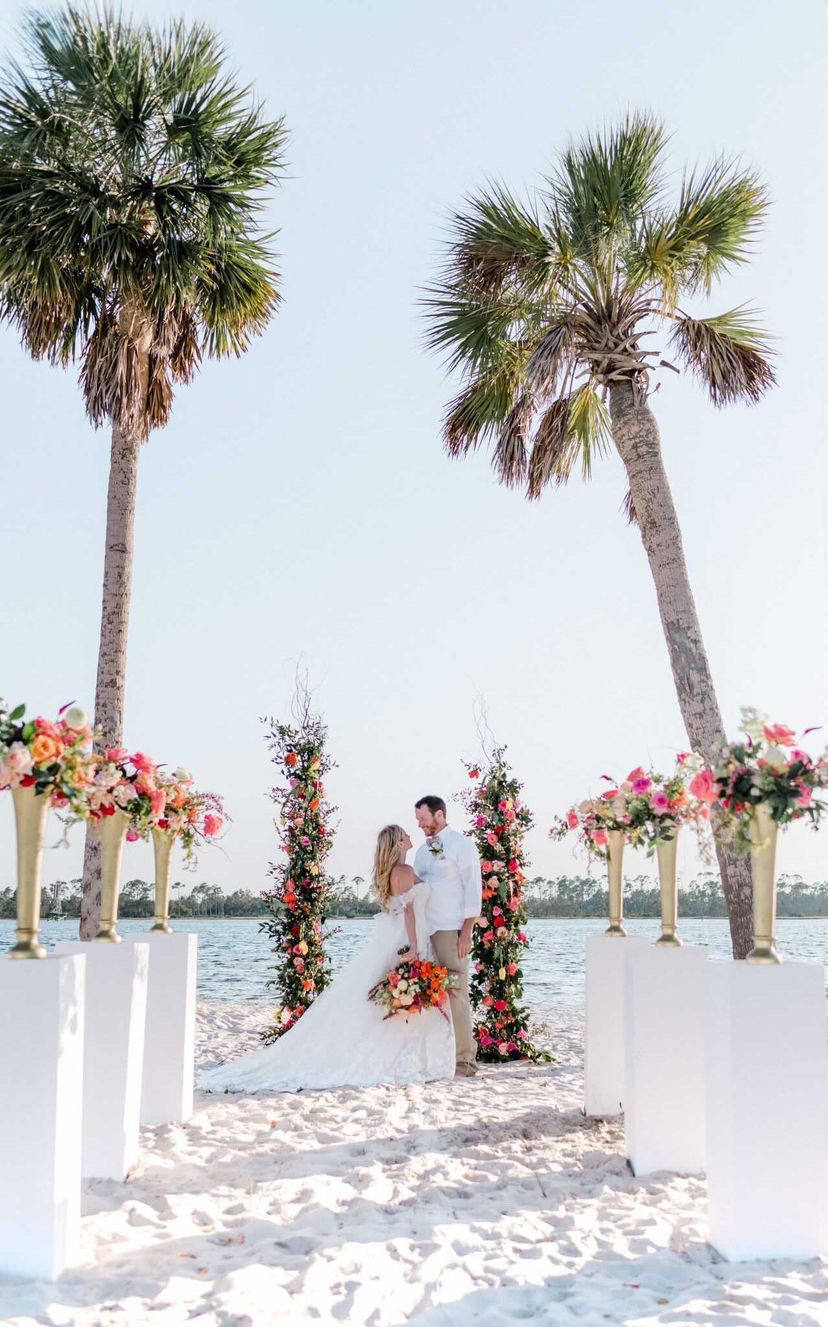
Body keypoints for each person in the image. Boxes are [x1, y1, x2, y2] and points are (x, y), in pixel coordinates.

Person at [199, 825, 454, 1093]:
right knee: (402, 995)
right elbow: (410, 912)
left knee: (394, 997)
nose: (410, 836)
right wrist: (414, 948)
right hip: (408, 937)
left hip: (399, 935)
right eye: (405, 834)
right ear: (399, 843)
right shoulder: (403, 871)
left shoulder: (392, 873)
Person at [413, 795, 482, 1078]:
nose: (420, 825)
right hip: (425, 929)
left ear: (439, 815)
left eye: (423, 819)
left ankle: (465, 1061)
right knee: (429, 995)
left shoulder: (462, 846)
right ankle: (437, 1056)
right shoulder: (421, 851)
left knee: (456, 991)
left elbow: (473, 890)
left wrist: (466, 932)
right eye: (417, 820)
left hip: (450, 929)